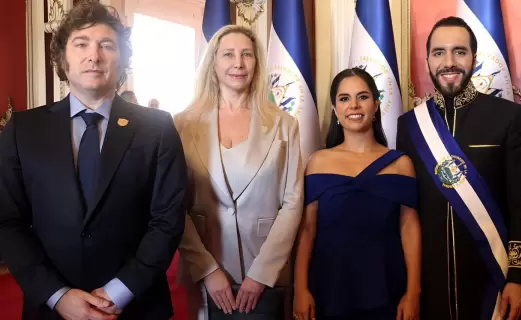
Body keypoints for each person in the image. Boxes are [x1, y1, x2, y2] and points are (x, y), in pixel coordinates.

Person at [0, 2, 187, 320]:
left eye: (107, 45)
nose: (94, 56)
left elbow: (167, 221)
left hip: (136, 306)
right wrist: (57, 297)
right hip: (51, 307)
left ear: (122, 59)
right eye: (81, 44)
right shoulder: (24, 129)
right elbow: (7, 222)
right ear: (63, 57)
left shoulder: (158, 127)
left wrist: (119, 292)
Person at [396, 17, 521, 320]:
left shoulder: (507, 117)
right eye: (439, 53)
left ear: (474, 57)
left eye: (459, 52)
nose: (449, 62)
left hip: (492, 279)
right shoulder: (409, 126)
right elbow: (406, 211)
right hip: (428, 283)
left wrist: (519, 278)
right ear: (427, 60)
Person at [174, 25, 303, 320]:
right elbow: (172, 206)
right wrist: (207, 269)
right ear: (213, 63)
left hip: (264, 276)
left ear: (257, 62)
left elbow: (293, 202)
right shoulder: (181, 124)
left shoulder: (284, 125)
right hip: (204, 272)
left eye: (247, 54)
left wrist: (262, 273)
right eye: (228, 54)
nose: (238, 63)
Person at [294, 68, 422, 320]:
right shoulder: (318, 162)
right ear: (335, 109)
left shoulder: (401, 163)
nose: (354, 105)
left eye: (362, 97)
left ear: (376, 105)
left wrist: (413, 292)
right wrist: (300, 289)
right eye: (344, 98)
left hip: (387, 289)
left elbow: (409, 228)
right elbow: (307, 230)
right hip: (329, 289)